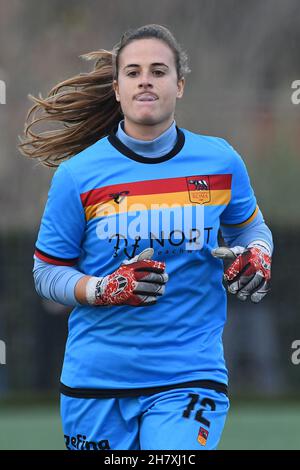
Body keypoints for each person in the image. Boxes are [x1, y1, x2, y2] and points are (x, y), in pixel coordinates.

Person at [19, 24, 273, 450]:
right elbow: (47, 273)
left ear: (180, 85)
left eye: (158, 70)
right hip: (96, 380)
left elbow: (250, 227)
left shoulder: (219, 159)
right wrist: (104, 288)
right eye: (133, 72)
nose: (146, 80)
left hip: (190, 372)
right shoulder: (78, 175)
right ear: (117, 88)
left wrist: (258, 254)